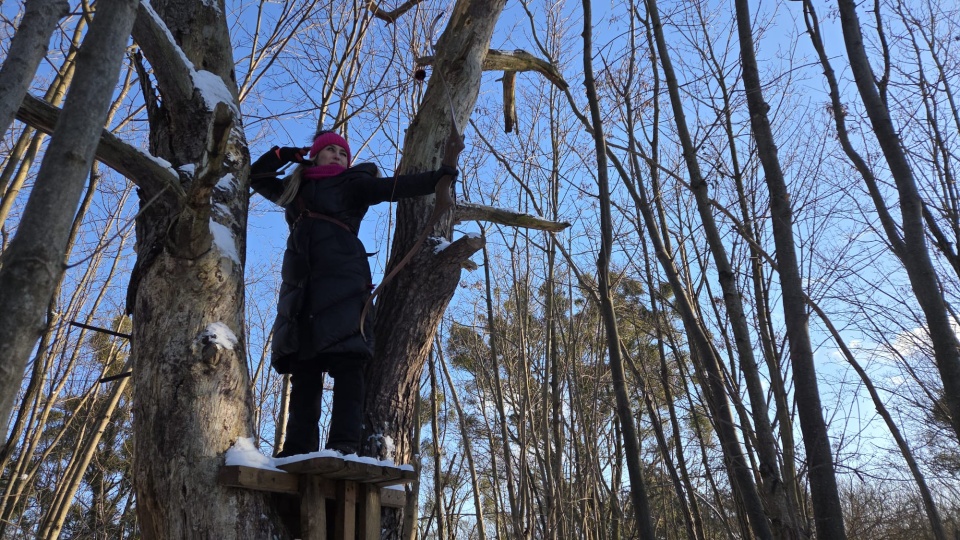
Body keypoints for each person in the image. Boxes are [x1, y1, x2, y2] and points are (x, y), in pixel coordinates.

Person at [251, 130, 456, 457]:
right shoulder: (295, 190)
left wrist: (437, 179)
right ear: (314, 155)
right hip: (303, 291)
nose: (337, 156)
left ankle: (344, 445)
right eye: (329, 150)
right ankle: (295, 449)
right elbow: (256, 176)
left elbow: (394, 187)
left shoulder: (353, 184)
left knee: (348, 364)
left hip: (344, 284)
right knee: (305, 373)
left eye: (342, 153)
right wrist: (284, 154)